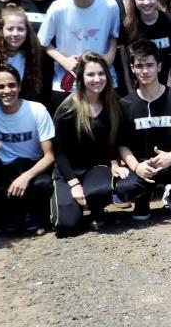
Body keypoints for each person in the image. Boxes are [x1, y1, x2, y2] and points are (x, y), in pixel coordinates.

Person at [115, 40, 171, 223]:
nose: (145, 71)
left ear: (159, 66)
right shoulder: (125, 104)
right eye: (139, 66)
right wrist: (137, 167)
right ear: (132, 68)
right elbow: (122, 144)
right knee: (124, 188)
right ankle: (142, 198)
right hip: (143, 165)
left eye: (149, 65)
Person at [50, 52, 127, 235]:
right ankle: (70, 206)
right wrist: (74, 184)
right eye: (90, 74)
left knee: (101, 189)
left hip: (96, 167)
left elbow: (115, 140)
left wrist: (115, 163)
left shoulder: (113, 103)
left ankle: (96, 208)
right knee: (66, 226)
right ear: (81, 77)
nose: (97, 79)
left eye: (101, 73)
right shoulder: (67, 109)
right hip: (69, 170)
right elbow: (59, 151)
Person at [0, 65, 55, 232]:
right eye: (0, 87)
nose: (7, 91)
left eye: (11, 85)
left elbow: (49, 155)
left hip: (33, 167)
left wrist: (26, 176)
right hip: (4, 170)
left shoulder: (37, 110)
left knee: (43, 184)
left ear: (20, 86)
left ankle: (36, 215)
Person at [40, 0, 121, 92]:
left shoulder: (109, 5)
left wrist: (110, 56)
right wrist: (64, 61)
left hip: (102, 81)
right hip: (68, 83)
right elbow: (43, 42)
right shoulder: (58, 7)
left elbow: (114, 34)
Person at [0, 5, 52, 104]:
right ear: (1, 29)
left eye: (20, 29)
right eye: (10, 29)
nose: (15, 34)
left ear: (27, 31)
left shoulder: (33, 54)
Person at [122, 0, 171, 75]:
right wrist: (130, 89)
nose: (146, 2)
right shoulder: (127, 27)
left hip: (167, 84)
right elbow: (125, 63)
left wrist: (168, 88)